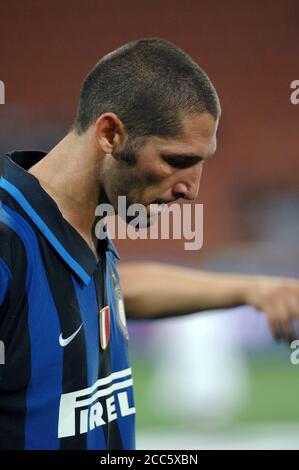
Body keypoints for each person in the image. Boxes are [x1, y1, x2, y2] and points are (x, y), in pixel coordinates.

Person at [0, 38, 298, 450]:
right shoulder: (9, 241)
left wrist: (253, 289)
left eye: (201, 162)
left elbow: (118, 291)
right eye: (176, 161)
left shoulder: (87, 225)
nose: (191, 191)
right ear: (109, 134)